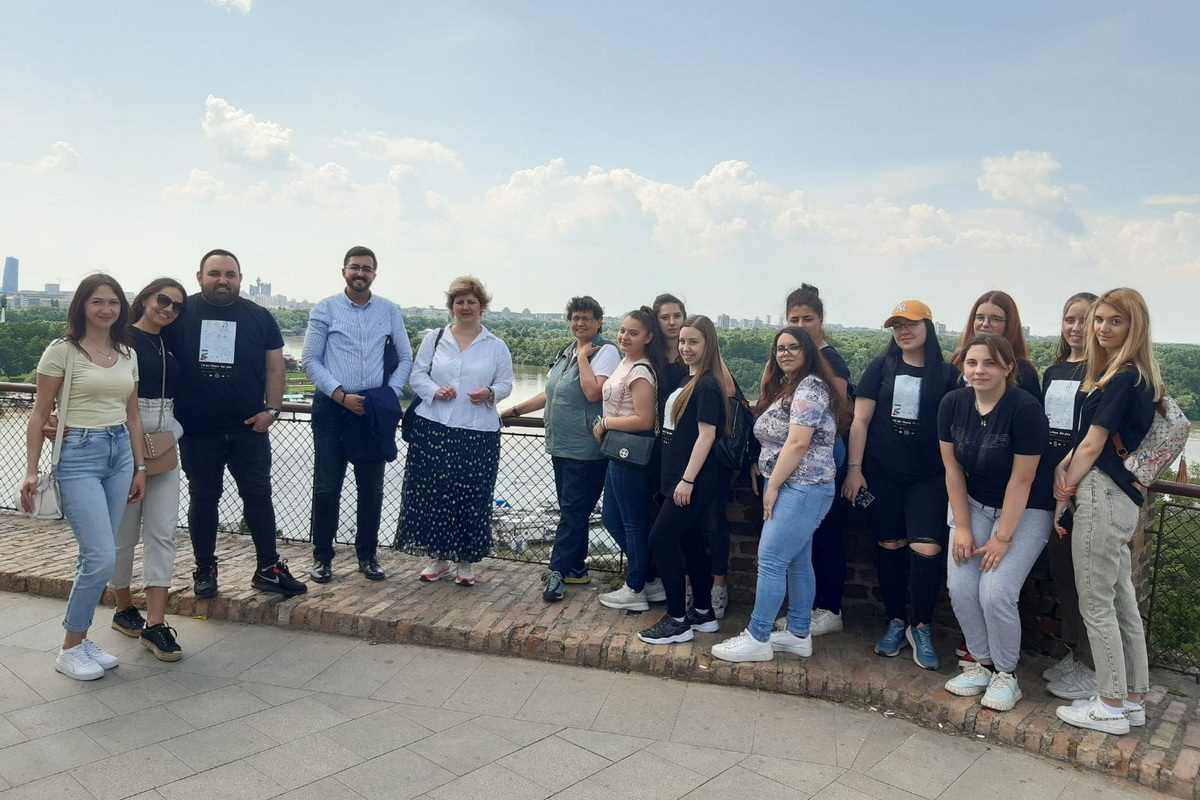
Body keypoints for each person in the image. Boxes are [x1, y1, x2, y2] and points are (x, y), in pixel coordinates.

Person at [19, 274, 146, 680]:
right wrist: (31, 470)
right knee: (101, 556)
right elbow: (39, 414)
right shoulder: (62, 351)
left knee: (96, 556)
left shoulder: (127, 353)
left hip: (119, 454)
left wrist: (140, 467)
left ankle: (82, 639)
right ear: (82, 307)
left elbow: (133, 416)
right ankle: (70, 648)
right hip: (79, 455)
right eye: (97, 302)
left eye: (113, 302)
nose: (106, 309)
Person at [166, 248, 306, 599]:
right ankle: (204, 568)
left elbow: (275, 368)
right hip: (198, 429)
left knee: (258, 497)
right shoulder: (180, 314)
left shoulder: (259, 316)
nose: (222, 280)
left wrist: (272, 410)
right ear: (199, 277)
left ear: (240, 279)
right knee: (203, 498)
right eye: (215, 274)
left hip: (249, 427)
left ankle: (268, 568)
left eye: (230, 274)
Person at [1054, 288, 1159, 735]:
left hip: (1100, 494)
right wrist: (1067, 464)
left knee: (1095, 602)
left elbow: (1093, 445)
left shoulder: (1121, 379)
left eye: (1115, 321)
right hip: (1123, 498)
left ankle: (1109, 703)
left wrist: (1064, 492)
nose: (1101, 328)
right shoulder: (1140, 377)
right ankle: (1133, 697)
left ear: (1135, 326)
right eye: (1099, 319)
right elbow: (1091, 440)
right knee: (1120, 601)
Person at [711, 327, 847, 662]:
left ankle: (757, 636)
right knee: (798, 560)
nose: (785, 353)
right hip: (795, 484)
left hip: (804, 486)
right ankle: (799, 633)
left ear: (808, 351)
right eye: (780, 348)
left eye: (793, 347)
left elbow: (798, 442)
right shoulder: (792, 386)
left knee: (770, 559)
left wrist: (771, 487)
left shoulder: (810, 387)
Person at [841, 300, 958, 670]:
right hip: (883, 471)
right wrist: (854, 469)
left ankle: (920, 625)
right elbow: (860, 421)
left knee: (927, 548)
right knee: (889, 544)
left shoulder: (947, 373)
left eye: (911, 324)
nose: (904, 331)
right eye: (897, 326)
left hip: (929, 475)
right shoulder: (881, 367)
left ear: (928, 326)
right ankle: (895, 620)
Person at [939, 334, 1052, 711]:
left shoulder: (1025, 409)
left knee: (996, 590)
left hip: (1026, 507)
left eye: (989, 363)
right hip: (973, 504)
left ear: (1008, 368)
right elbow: (952, 469)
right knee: (961, 585)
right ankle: (982, 664)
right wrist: (963, 526)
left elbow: (1023, 478)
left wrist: (1003, 538)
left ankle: (1006, 674)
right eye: (972, 363)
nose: (979, 370)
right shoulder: (953, 404)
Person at [302, 245, 414, 584]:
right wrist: (339, 395)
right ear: (344, 271)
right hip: (332, 409)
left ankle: (367, 556)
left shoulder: (389, 310)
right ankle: (322, 557)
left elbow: (406, 358)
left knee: (371, 489)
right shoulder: (325, 309)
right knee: (327, 487)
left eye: (366, 268)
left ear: (374, 274)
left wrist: (389, 394)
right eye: (355, 267)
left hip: (371, 410)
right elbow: (310, 360)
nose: (360, 273)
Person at [502, 297, 618, 602]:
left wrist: (583, 358)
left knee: (573, 511)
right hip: (562, 445)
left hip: (587, 448)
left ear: (599, 322)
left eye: (586, 318)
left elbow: (593, 392)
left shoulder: (605, 352)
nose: (580, 323)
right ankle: (575, 569)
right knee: (573, 511)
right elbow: (550, 393)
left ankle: (557, 571)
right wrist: (513, 411)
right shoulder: (567, 350)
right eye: (575, 318)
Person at [398, 277, 513, 585]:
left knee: (472, 496)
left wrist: (489, 393)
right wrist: (435, 391)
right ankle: (438, 559)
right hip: (434, 427)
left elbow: (506, 383)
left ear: (482, 306)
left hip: (478, 432)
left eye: (471, 301)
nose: (465, 307)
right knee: (435, 494)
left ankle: (465, 562)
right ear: (451, 306)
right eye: (459, 302)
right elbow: (417, 375)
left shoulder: (496, 346)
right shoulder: (434, 338)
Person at [638, 315, 732, 645]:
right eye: (682, 341)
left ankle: (677, 619)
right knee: (691, 543)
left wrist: (687, 480)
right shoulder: (688, 378)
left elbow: (707, 436)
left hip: (691, 480)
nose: (686, 347)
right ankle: (703, 612)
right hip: (677, 477)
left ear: (708, 344)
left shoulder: (707, 384)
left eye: (693, 341)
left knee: (660, 540)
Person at [109, 279, 187, 662]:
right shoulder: (120, 340)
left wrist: (174, 432)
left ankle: (155, 623)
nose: (168, 309)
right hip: (126, 437)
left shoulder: (169, 343)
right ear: (145, 298)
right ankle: (123, 607)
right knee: (124, 532)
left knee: (162, 530)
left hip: (164, 438)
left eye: (177, 306)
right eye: (163, 299)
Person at [775, 283, 852, 636]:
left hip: (822, 454)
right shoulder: (795, 358)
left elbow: (839, 412)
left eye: (808, 319)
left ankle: (829, 607)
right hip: (798, 453)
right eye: (794, 319)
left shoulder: (829, 360)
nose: (801, 325)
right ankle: (806, 607)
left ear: (821, 320)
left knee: (825, 532)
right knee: (804, 535)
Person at [1039, 292, 1099, 700]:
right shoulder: (1054, 371)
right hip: (1050, 481)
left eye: (1084, 319)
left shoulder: (1103, 373)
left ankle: (1093, 667)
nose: (1076, 327)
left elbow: (1094, 435)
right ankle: (1075, 653)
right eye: (1069, 319)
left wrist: (1069, 480)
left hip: (1081, 483)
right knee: (1063, 574)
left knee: (1086, 581)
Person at [595, 307, 665, 611]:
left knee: (631, 522)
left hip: (629, 452)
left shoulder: (640, 371)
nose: (624, 336)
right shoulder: (625, 363)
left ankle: (635, 587)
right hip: (617, 450)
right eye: (623, 330)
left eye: (633, 333)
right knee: (612, 519)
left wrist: (606, 423)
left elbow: (644, 419)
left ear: (648, 337)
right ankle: (650, 578)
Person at [955, 291, 1040, 398]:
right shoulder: (957, 362)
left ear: (1009, 325)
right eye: (980, 318)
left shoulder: (1022, 370)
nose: (985, 324)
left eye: (995, 319)